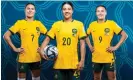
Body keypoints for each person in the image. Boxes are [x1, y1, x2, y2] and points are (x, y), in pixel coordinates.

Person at [39, 2, 86, 80]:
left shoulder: (79, 24)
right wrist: (41, 50)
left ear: (72, 11)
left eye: (69, 9)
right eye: (64, 9)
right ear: (61, 11)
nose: (66, 11)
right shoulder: (56, 24)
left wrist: (82, 60)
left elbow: (82, 44)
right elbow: (47, 39)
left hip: (74, 64)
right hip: (59, 63)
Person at [3, 3, 47, 80]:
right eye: (28, 8)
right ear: (25, 10)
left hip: (36, 57)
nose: (30, 10)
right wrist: (14, 49)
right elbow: (6, 36)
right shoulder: (20, 23)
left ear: (35, 11)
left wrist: (42, 48)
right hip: (23, 58)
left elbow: (49, 35)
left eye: (32, 9)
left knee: (36, 78)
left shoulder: (38, 24)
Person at [86, 5, 128, 80]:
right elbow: (85, 36)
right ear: (96, 13)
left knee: (112, 78)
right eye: (98, 11)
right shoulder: (92, 24)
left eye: (102, 11)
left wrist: (115, 47)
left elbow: (125, 35)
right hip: (96, 57)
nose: (100, 13)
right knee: (96, 78)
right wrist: (90, 46)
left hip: (108, 58)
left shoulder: (111, 23)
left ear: (106, 13)